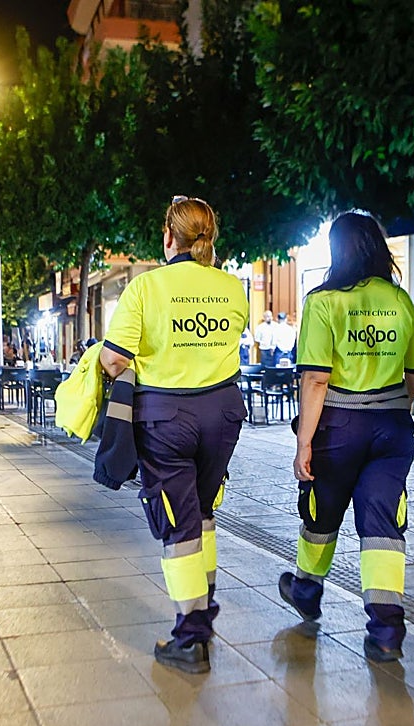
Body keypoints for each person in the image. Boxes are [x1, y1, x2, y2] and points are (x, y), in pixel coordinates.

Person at [100, 195, 248, 674]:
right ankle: (204, 610)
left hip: (166, 419)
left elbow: (113, 357)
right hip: (222, 414)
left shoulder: (147, 288)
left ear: (169, 236)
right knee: (203, 513)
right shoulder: (233, 289)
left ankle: (190, 636)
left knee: (178, 523)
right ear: (210, 237)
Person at [280, 212, 414, 664]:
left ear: (337, 251)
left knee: (322, 509)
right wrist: (395, 412)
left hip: (338, 425)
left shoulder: (323, 302)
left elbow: (316, 380)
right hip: (391, 426)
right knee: (383, 522)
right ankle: (386, 631)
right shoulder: (400, 301)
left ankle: (307, 588)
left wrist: (304, 441)